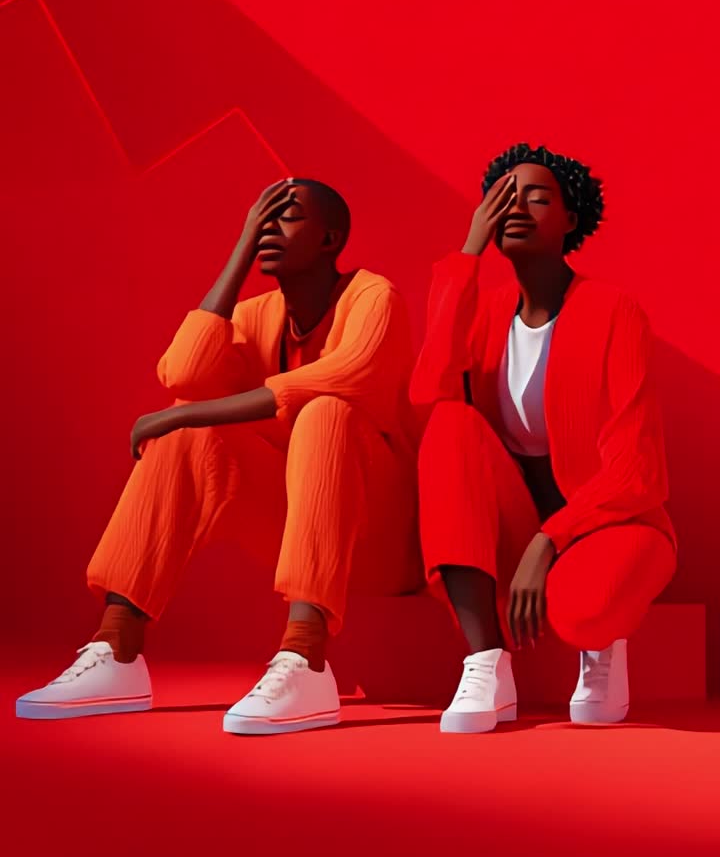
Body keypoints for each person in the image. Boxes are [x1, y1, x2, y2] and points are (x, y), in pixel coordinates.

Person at [17, 178, 423, 734]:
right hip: (300, 525)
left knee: (325, 413)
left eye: (285, 217)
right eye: (261, 218)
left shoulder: (374, 296)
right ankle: (117, 647)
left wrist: (183, 413)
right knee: (187, 434)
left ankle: (305, 655)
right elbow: (184, 373)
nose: (268, 228)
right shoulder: (257, 315)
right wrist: (240, 251)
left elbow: (346, 375)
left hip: (382, 537)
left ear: (330, 239)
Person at [410, 143, 676, 733]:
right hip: (515, 518)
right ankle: (486, 662)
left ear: (570, 218)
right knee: (450, 422)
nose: (516, 208)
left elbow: (638, 470)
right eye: (503, 198)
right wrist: (467, 255)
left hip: (612, 523)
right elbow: (430, 391)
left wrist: (548, 539)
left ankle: (602, 641)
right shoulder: (486, 312)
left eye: (536, 197)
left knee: (584, 610)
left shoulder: (613, 311)